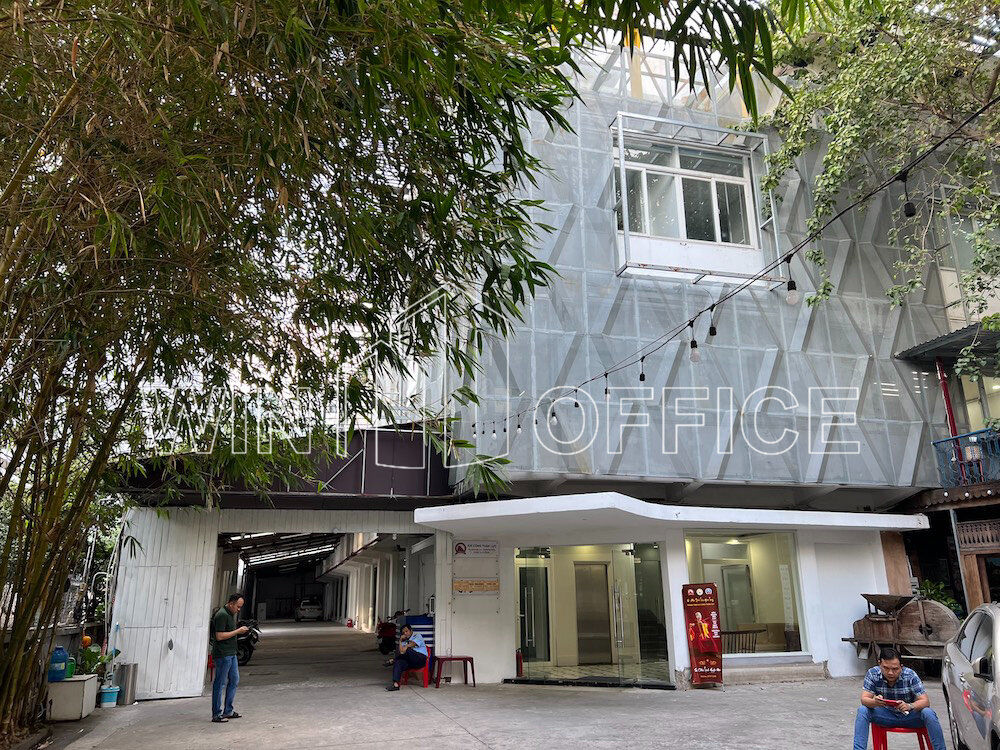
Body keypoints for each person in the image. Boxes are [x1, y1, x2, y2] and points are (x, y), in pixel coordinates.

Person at [853, 647, 946, 750]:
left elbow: (925, 701)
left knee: (928, 713)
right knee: (862, 710)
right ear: (879, 664)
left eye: (895, 669)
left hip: (909, 716)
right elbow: (864, 699)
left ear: (901, 666)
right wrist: (875, 702)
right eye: (886, 668)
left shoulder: (910, 675)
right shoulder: (872, 673)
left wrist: (910, 706)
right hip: (886, 715)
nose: (890, 673)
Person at [211, 593, 248, 723]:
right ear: (231, 604)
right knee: (220, 683)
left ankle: (228, 711)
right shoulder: (222, 615)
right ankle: (216, 714)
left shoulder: (230, 614)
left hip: (231, 653)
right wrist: (238, 631)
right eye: (238, 606)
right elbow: (219, 636)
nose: (239, 609)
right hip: (223, 654)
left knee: (234, 680)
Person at [385, 624, 427, 691]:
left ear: (411, 631)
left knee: (407, 650)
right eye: (403, 632)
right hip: (410, 662)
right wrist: (400, 641)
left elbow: (413, 644)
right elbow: (401, 651)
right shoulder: (404, 641)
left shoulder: (417, 636)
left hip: (420, 660)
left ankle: (393, 660)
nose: (405, 633)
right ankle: (396, 685)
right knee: (398, 663)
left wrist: (406, 646)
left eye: (406, 631)